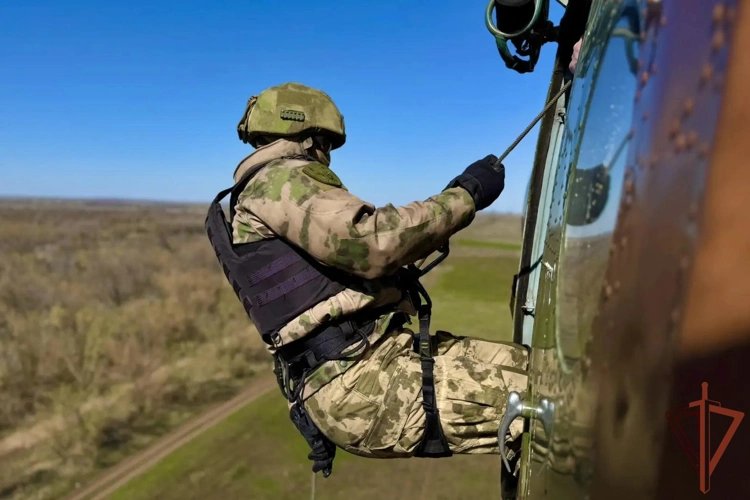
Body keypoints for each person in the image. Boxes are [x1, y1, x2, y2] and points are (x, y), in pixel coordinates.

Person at [205, 82, 530, 479]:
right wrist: (465, 197)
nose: (326, 155)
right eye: (325, 143)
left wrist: (432, 224)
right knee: (548, 403)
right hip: (360, 379)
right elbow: (373, 243)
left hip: (366, 361)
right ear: (309, 136)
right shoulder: (281, 181)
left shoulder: (260, 190)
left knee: (536, 369)